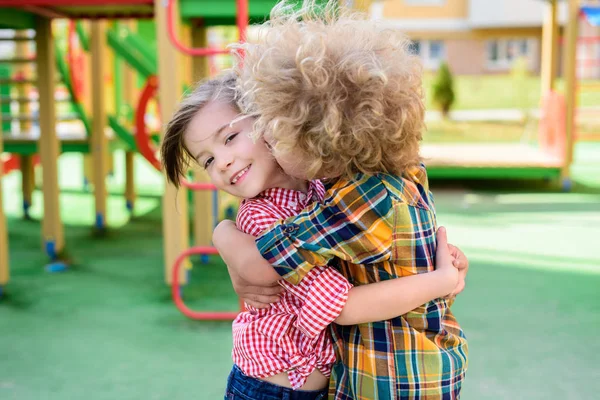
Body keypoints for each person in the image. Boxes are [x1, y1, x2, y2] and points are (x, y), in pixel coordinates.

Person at [212, 1, 469, 399]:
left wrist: (224, 233)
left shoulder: (356, 203)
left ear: (320, 139)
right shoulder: (399, 174)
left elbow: (269, 261)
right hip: (420, 365)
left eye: (278, 135)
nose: (271, 145)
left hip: (390, 374)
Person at [161, 72, 468, 400]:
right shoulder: (260, 216)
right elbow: (342, 306)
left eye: (229, 138)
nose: (221, 163)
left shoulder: (321, 187)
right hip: (269, 388)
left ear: (273, 119)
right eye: (207, 160)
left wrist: (439, 257)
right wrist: (438, 282)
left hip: (319, 382)